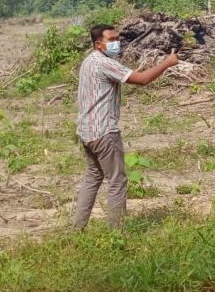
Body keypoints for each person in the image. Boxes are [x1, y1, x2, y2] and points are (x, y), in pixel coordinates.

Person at [74, 24, 179, 230]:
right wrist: (167, 63)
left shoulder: (89, 61)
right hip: (104, 132)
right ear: (98, 44)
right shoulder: (104, 63)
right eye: (111, 40)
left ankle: (76, 228)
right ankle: (116, 234)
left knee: (93, 177)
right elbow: (142, 80)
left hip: (87, 131)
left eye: (117, 38)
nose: (116, 42)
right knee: (117, 182)